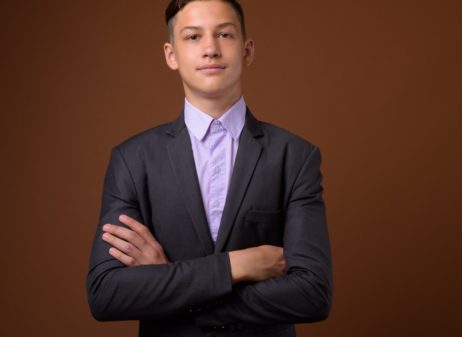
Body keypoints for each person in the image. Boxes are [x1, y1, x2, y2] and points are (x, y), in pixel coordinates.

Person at [86, 1, 333, 336]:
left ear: (247, 50)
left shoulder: (295, 157)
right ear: (171, 54)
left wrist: (173, 283)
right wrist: (236, 265)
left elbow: (312, 294)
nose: (210, 49)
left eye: (225, 34)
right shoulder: (133, 159)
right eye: (192, 37)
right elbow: (106, 294)